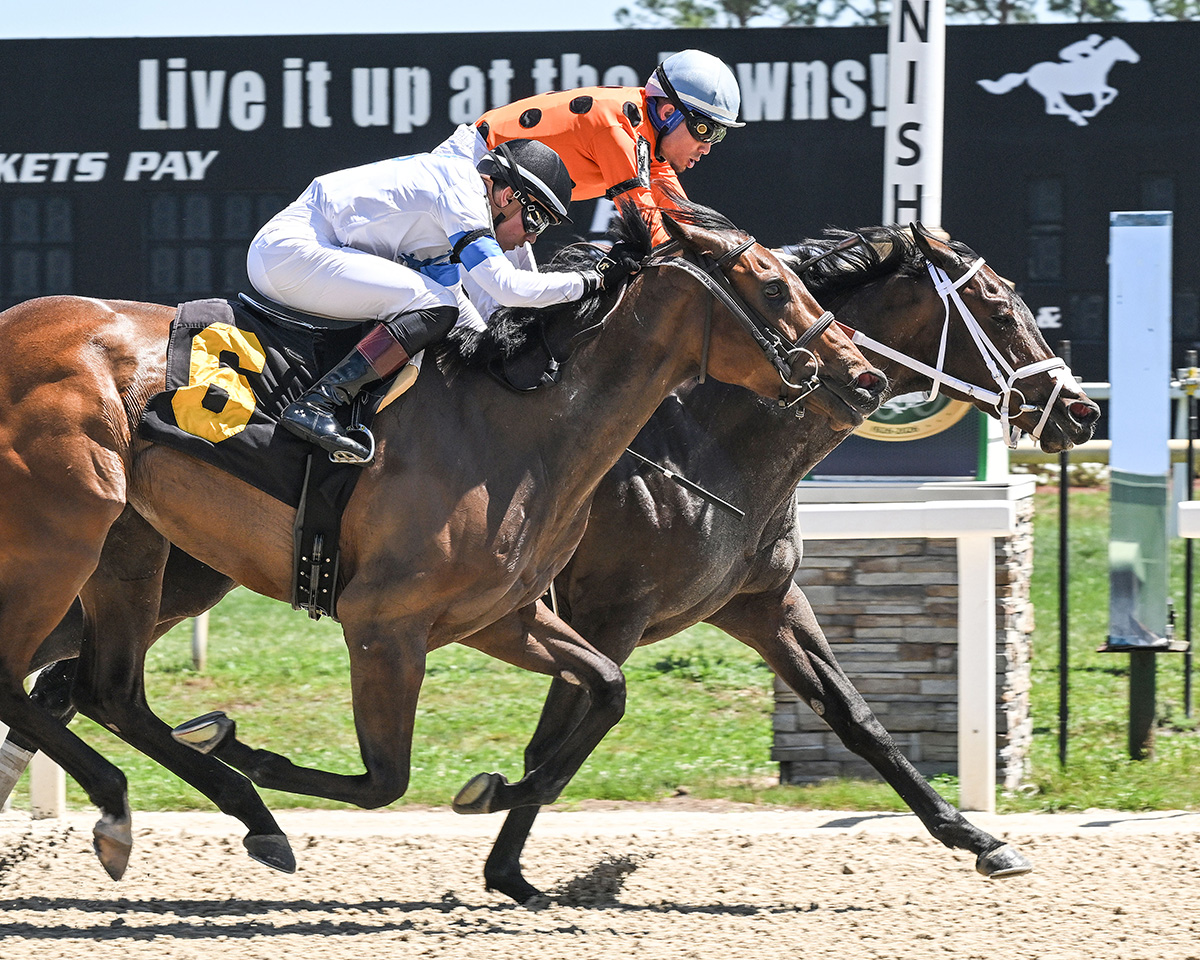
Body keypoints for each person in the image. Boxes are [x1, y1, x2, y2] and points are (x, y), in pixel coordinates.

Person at [247, 139, 629, 463]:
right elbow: (506, 286)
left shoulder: (452, 214)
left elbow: (459, 312)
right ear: (509, 195)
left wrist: (508, 359)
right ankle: (317, 404)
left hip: (295, 253)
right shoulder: (461, 191)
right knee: (432, 307)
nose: (531, 239)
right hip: (290, 251)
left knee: (438, 307)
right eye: (536, 222)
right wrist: (593, 280)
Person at [435, 49, 743, 248]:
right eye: (705, 130)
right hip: (468, 170)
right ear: (667, 113)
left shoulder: (649, 140)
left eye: (718, 135)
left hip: (496, 191)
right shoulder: (618, 129)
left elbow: (684, 222)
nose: (707, 148)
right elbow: (650, 229)